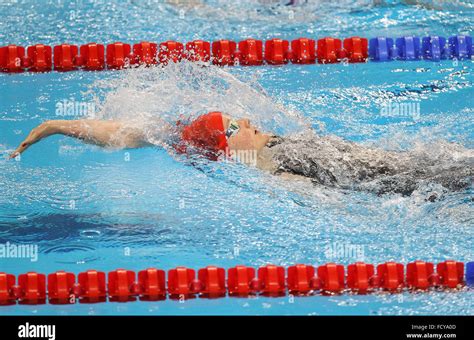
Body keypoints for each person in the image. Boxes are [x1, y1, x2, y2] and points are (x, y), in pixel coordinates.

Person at [9, 112, 473, 197]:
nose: (248, 122)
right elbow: (325, 200)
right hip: (398, 181)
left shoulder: (187, 140)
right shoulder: (273, 171)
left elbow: (127, 133)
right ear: (228, 149)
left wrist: (53, 127)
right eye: (237, 127)